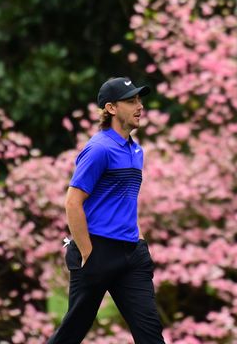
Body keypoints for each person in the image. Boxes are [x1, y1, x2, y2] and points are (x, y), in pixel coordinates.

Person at [48, 77, 164, 344]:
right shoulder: (99, 148)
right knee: (72, 332)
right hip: (97, 251)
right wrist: (88, 251)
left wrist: (140, 240)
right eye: (131, 101)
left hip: (131, 255)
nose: (140, 106)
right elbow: (72, 201)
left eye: (139, 100)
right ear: (111, 108)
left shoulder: (136, 151)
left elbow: (125, 200)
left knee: (151, 335)